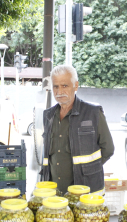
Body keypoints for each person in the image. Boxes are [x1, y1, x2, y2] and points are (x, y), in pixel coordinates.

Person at [41, 65, 114, 194]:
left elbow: (108, 149)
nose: (59, 91)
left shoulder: (93, 113)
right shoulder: (48, 116)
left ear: (76, 86)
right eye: (56, 86)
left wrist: (88, 170)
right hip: (54, 194)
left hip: (86, 193)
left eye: (65, 86)